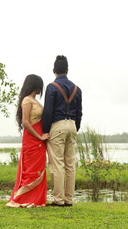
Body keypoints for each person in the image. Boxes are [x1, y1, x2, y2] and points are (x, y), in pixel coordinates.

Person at [42, 55, 82, 207]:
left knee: (57, 164)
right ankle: (69, 199)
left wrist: (46, 131)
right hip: (72, 125)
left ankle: (58, 200)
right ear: (67, 70)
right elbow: (79, 112)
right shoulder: (77, 89)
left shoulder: (52, 87)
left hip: (57, 125)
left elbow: (48, 111)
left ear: (54, 71)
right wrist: (75, 127)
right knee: (70, 164)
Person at [6, 74, 50, 208]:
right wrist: (40, 136)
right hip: (32, 139)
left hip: (39, 140)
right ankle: (23, 198)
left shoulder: (34, 100)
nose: (40, 89)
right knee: (30, 169)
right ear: (35, 85)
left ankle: (37, 199)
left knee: (38, 168)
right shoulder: (27, 100)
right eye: (39, 86)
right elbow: (25, 122)